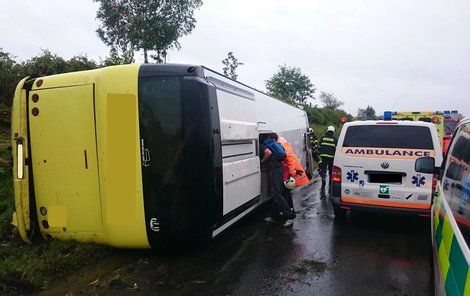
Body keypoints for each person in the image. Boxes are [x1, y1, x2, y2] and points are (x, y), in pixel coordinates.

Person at [260, 133, 296, 227]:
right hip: (278, 169)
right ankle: (275, 217)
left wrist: (262, 161)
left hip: (274, 170)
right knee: (275, 193)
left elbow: (268, 152)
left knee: (277, 194)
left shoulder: (264, 144)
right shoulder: (275, 144)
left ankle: (290, 216)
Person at [318, 126, 338, 196]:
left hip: (323, 157)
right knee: (330, 171)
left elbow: (319, 147)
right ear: (333, 131)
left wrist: (320, 153)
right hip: (331, 157)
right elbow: (336, 149)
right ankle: (330, 184)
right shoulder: (335, 139)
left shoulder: (323, 137)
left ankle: (323, 180)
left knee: (323, 169)